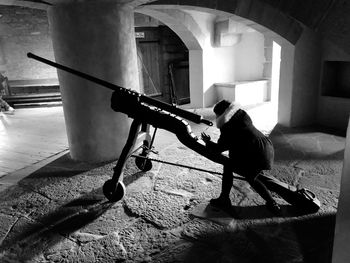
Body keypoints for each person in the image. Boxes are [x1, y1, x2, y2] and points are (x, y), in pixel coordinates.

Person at [201, 99, 321, 214]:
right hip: (264, 147)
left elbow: (220, 147)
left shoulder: (227, 125)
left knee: (251, 178)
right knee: (230, 166)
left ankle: (272, 203)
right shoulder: (241, 114)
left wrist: (207, 142)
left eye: (216, 114)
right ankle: (224, 198)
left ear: (221, 114)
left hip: (254, 153)